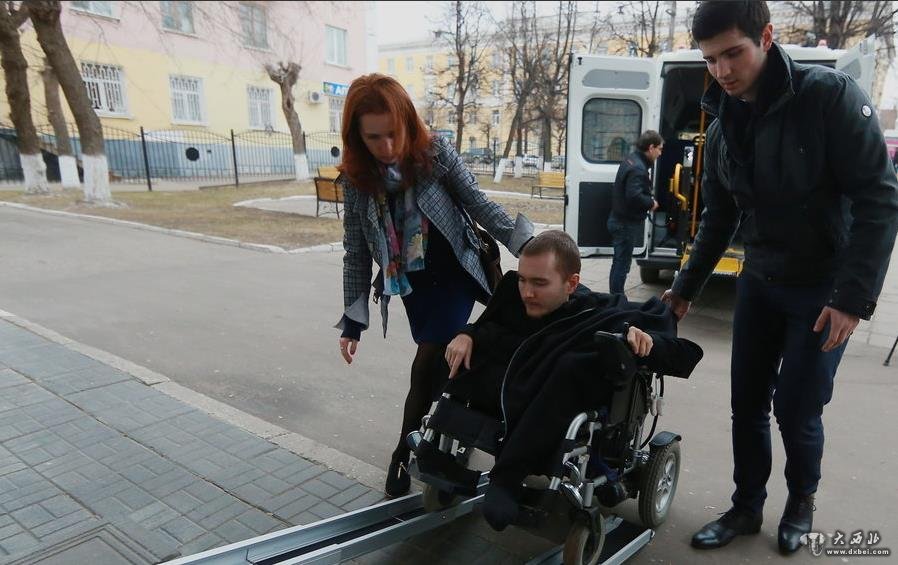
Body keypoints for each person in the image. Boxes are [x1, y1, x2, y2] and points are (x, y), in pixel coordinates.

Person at [660, 1, 898, 554]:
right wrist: (684, 290)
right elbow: (718, 217)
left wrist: (852, 299)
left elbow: (880, 200)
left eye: (733, 53)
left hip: (823, 288)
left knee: (796, 407)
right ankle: (746, 506)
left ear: (766, 37)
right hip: (760, 281)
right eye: (710, 59)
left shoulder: (827, 97)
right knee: (747, 402)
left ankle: (800, 501)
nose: (722, 70)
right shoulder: (723, 123)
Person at [335, 73, 533, 498]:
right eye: (374, 137)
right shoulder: (355, 180)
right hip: (412, 284)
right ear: (357, 136)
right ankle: (453, 429)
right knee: (444, 361)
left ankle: (405, 453)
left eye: (393, 133)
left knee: (428, 362)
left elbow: (478, 204)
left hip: (455, 272)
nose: (387, 146)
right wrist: (353, 322)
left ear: (407, 121)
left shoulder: (435, 153)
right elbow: (356, 251)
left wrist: (527, 245)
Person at [428, 230, 703, 531]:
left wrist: (646, 340)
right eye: (523, 279)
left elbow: (682, 350)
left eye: (539, 283)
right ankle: (435, 447)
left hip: (557, 400)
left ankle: (507, 477)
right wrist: (467, 333)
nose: (527, 292)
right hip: (507, 391)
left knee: (574, 363)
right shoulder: (513, 295)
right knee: (458, 348)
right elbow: (489, 322)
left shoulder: (597, 310)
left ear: (571, 284)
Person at [607, 130, 663, 296]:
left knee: (619, 262)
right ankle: (617, 299)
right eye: (659, 149)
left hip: (618, 220)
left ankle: (615, 297)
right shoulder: (638, 168)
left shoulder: (631, 159)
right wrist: (651, 203)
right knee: (622, 264)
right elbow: (634, 195)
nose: (660, 153)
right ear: (651, 148)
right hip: (625, 224)